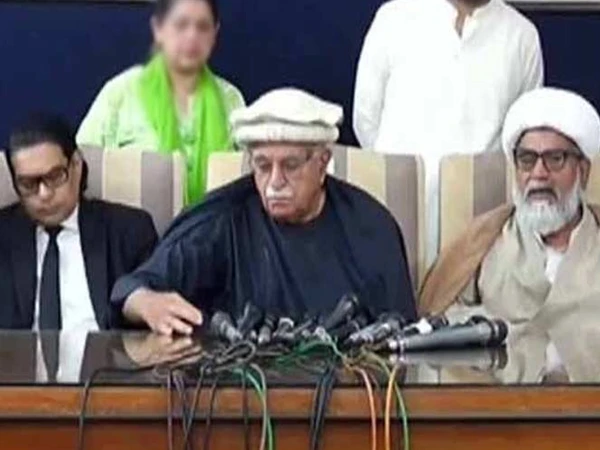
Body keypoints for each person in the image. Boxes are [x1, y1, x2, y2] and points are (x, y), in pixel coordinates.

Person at [111, 88, 417, 336]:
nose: (275, 182)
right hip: (240, 389)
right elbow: (133, 289)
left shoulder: (371, 227)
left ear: (323, 163)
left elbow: (402, 339)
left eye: (290, 166)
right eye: (263, 166)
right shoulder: (222, 220)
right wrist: (145, 302)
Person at [419, 87, 600, 382]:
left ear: (583, 170)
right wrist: (500, 329)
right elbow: (436, 319)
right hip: (500, 403)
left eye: (555, 158)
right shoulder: (484, 240)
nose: (539, 173)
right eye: (527, 159)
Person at [353, 0, 544, 264]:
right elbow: (365, 121)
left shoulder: (521, 35)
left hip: (476, 234)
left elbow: (523, 139)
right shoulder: (394, 17)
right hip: (392, 216)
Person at [0, 113, 158, 331]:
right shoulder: (4, 235)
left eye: (55, 176)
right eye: (28, 184)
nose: (44, 194)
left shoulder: (129, 230)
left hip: (108, 352)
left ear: (76, 165)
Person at [77, 0, 245, 205]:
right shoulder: (120, 93)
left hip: (219, 224)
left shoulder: (230, 99)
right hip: (132, 225)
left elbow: (251, 174)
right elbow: (79, 168)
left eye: (202, 27)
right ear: (158, 29)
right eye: (181, 25)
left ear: (214, 33)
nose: (192, 36)